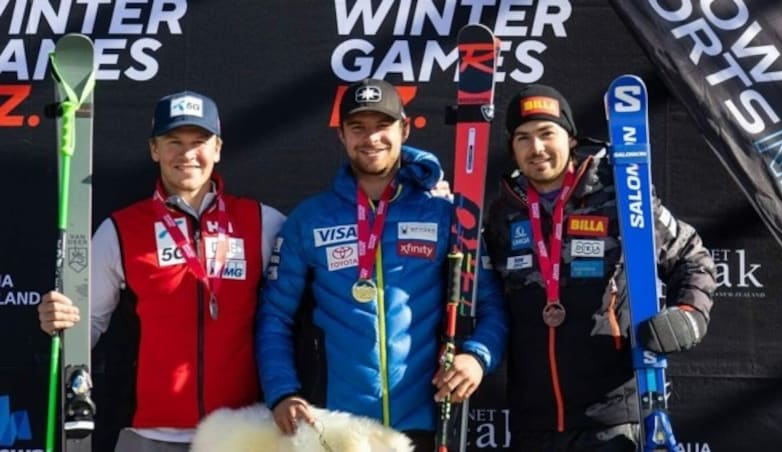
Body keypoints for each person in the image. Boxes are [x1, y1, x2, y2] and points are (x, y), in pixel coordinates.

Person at [254, 78, 507, 450]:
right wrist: (282, 392)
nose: (371, 138)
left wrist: (476, 357)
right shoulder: (309, 219)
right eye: (358, 127)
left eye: (382, 126)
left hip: (426, 423)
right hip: (337, 429)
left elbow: (489, 306)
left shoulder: (445, 215)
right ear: (341, 135)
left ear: (404, 129)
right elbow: (274, 316)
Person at [37, 90, 286, 452]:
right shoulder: (121, 229)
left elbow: (297, 313)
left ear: (217, 149)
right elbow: (85, 327)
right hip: (149, 436)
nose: (187, 154)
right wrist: (58, 321)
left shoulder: (263, 222)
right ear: (154, 149)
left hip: (244, 432)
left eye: (199, 142)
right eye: (173, 142)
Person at [482, 84, 717, 451]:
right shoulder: (503, 214)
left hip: (610, 420)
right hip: (532, 422)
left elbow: (690, 255)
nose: (537, 148)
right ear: (512, 148)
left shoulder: (620, 191)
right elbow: (485, 297)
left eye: (547, 134)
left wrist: (689, 314)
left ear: (571, 138)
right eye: (523, 138)